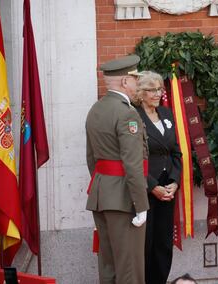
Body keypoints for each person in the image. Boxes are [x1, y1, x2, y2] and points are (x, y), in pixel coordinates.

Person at [85, 55, 149, 284]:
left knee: (109, 266)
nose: (136, 84)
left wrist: (105, 187)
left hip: (102, 194)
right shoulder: (127, 113)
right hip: (124, 199)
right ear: (124, 82)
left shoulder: (96, 109)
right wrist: (140, 204)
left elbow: (91, 158)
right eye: (135, 79)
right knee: (130, 269)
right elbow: (132, 164)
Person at [135, 71, 182, 284]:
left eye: (159, 89)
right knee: (146, 244)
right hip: (146, 189)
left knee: (164, 243)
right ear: (140, 92)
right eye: (151, 90)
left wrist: (174, 181)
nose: (157, 93)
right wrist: (153, 186)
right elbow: (132, 159)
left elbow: (175, 152)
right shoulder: (134, 116)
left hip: (167, 188)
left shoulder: (166, 113)